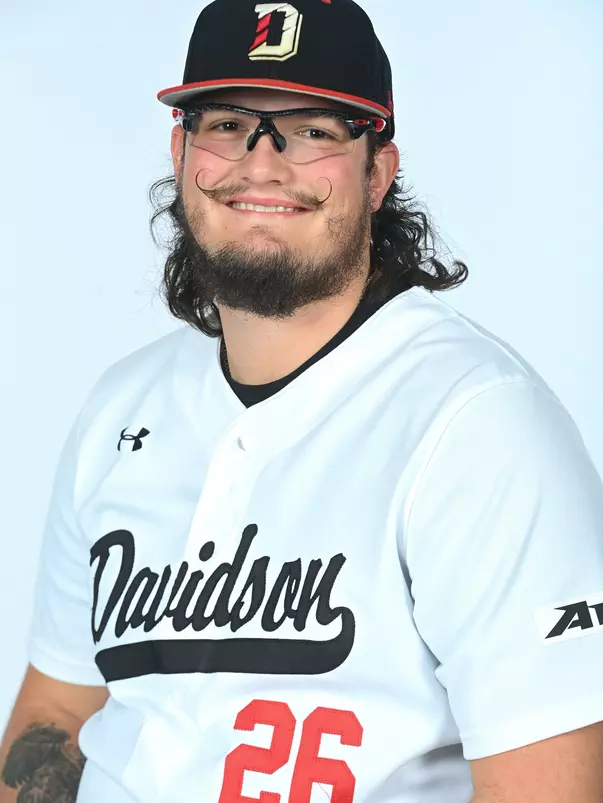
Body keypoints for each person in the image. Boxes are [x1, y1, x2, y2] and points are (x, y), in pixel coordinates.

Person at [2, 0, 603, 801]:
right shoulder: (121, 406)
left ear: (376, 172)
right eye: (228, 125)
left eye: (312, 129)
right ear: (181, 152)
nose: (262, 162)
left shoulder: (477, 422)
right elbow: (54, 712)